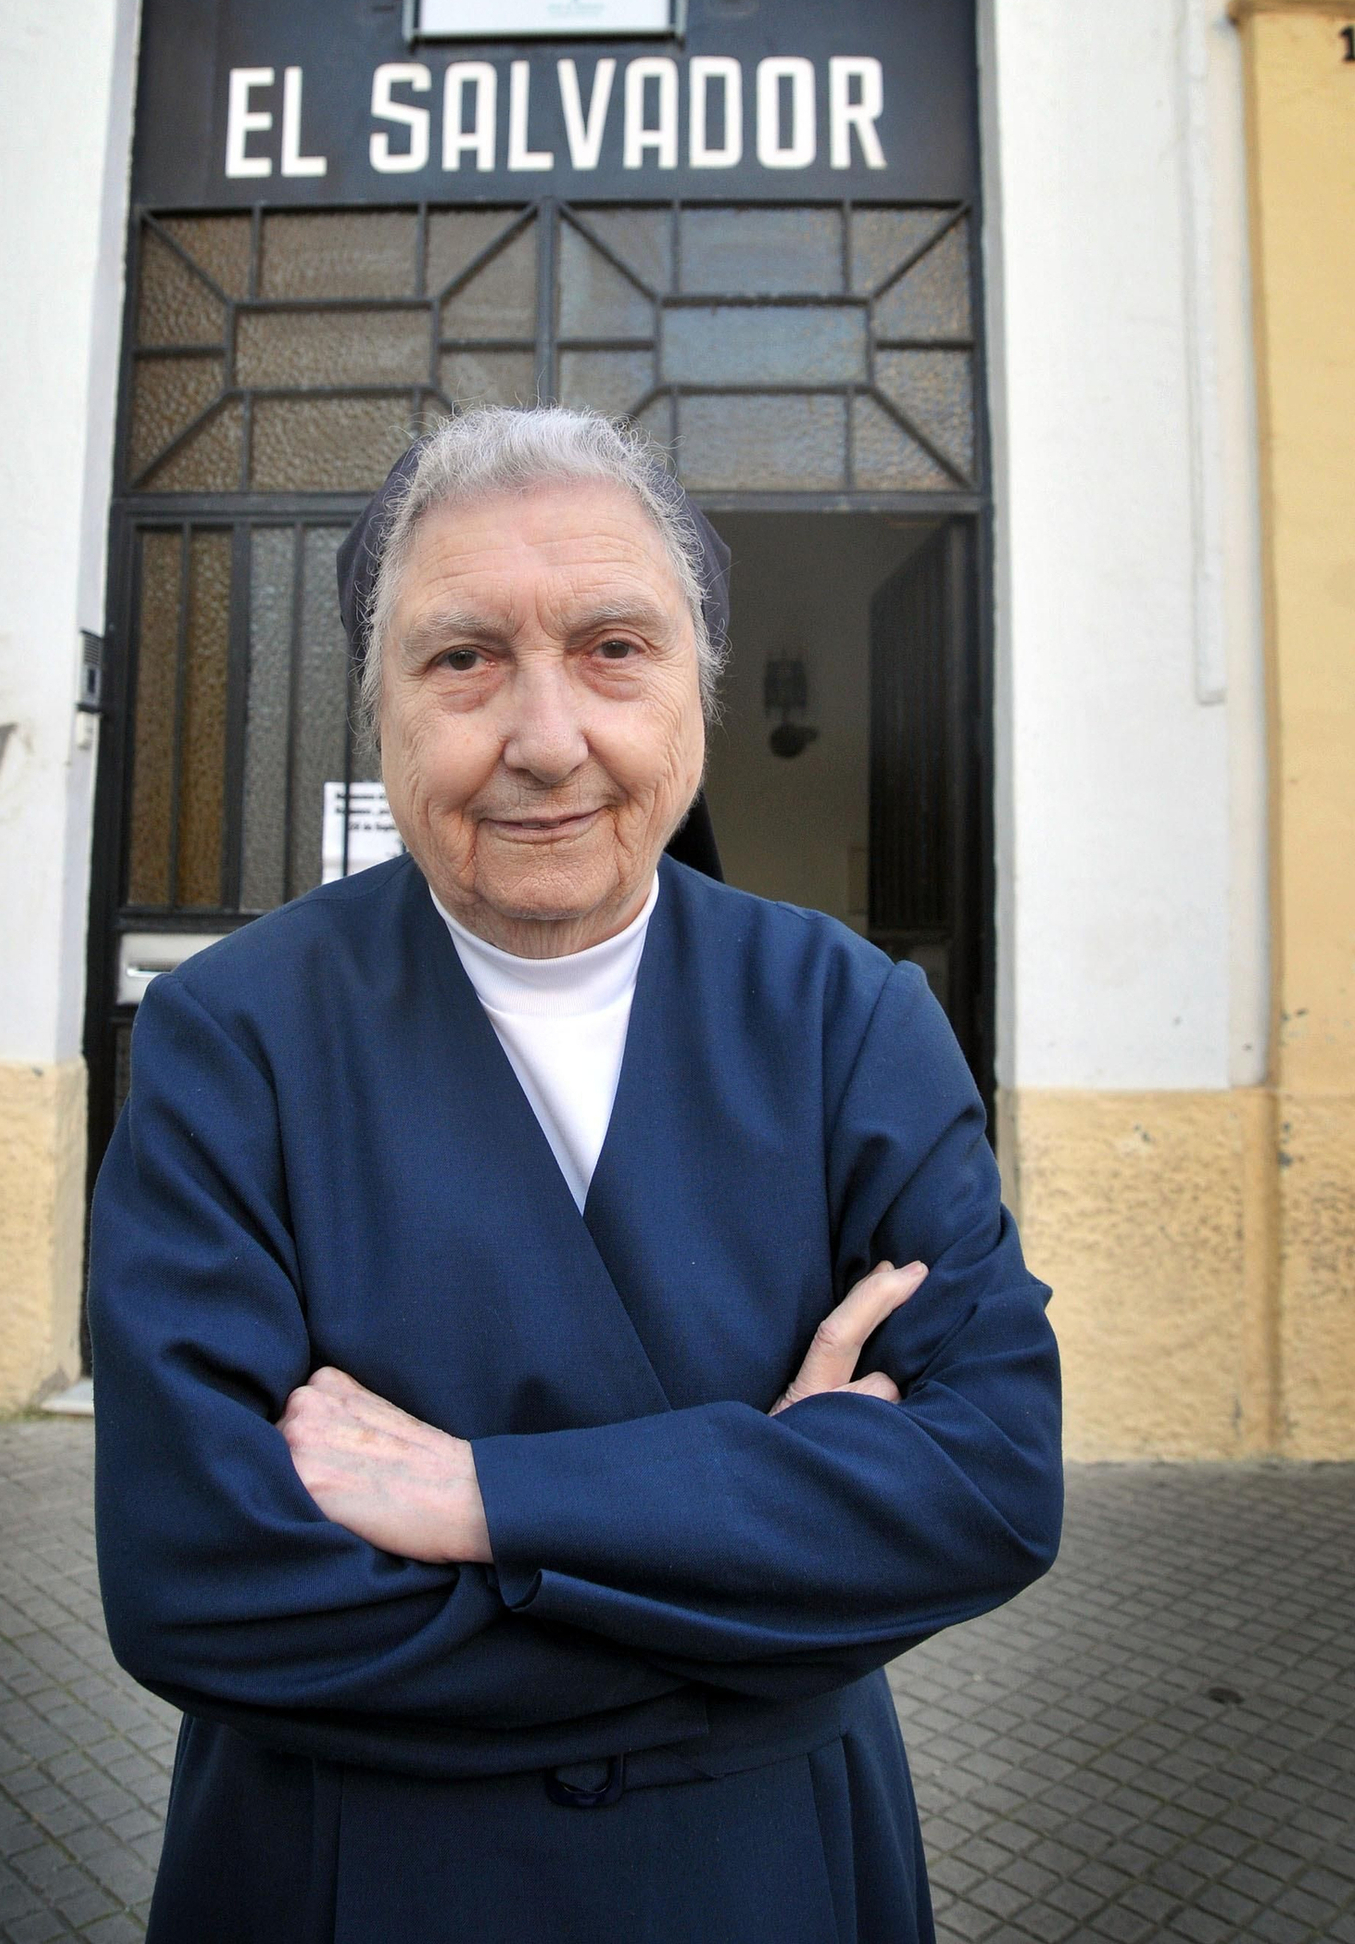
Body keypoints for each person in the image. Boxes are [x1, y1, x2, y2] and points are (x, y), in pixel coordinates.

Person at [89, 405, 1062, 1944]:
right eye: (464, 656)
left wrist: (484, 1495)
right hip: (350, 1880)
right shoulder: (235, 1038)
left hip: (769, 1884)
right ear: (383, 708)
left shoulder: (847, 1017)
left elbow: (993, 1485)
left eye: (615, 646)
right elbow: (199, 1585)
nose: (546, 736)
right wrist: (772, 1540)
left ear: (700, 692)